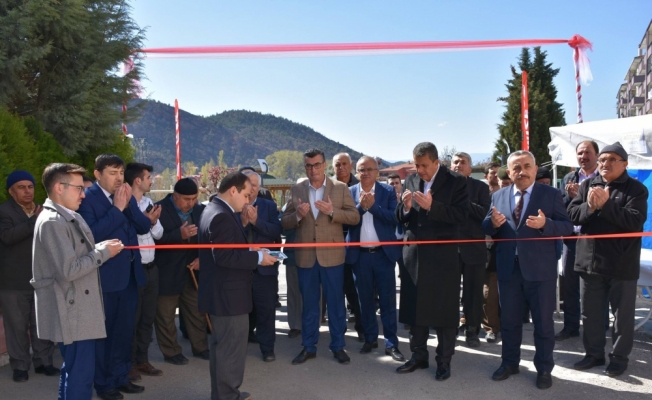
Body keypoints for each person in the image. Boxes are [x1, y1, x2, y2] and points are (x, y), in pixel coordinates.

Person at [31, 163, 123, 400]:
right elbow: (69, 270)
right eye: (78, 189)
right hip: (71, 311)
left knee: (75, 371)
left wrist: (100, 248)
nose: (83, 194)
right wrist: (103, 253)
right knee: (80, 377)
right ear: (59, 188)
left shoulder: (66, 216)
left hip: (77, 309)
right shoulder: (53, 221)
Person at [482, 150, 573, 390]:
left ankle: (544, 368)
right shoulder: (498, 195)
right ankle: (510, 363)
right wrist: (491, 223)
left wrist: (547, 225)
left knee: (543, 324)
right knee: (509, 322)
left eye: (526, 166)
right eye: (516, 168)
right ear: (509, 172)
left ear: (534, 168)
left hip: (540, 271)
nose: (522, 171)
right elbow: (486, 225)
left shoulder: (551, 194)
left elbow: (567, 226)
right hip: (508, 270)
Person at [568, 142, 648, 377]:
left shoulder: (636, 190)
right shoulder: (587, 185)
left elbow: (634, 221)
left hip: (620, 264)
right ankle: (593, 354)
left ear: (624, 164)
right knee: (590, 314)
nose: (605, 164)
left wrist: (605, 205)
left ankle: (619, 358)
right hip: (589, 262)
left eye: (612, 159)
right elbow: (573, 215)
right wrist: (591, 208)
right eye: (602, 160)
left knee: (622, 317)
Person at [78, 154, 152, 400]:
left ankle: (121, 376)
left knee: (124, 331)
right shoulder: (87, 200)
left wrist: (128, 204)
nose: (119, 178)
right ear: (98, 174)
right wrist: (118, 208)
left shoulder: (125, 195)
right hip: (105, 278)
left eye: (121, 173)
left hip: (130, 276)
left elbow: (143, 227)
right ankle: (103, 383)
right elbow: (92, 235)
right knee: (105, 334)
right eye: (113, 172)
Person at [198, 171, 277, 400]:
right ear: (233, 190)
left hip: (221, 294)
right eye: (244, 194)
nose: (247, 199)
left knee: (222, 350)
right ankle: (228, 396)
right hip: (228, 297)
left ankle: (224, 393)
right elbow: (224, 257)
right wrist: (258, 258)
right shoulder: (221, 215)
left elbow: (226, 251)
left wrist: (252, 251)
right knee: (230, 351)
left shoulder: (215, 209)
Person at [395, 142, 469, 381]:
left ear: (436, 162)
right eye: (416, 165)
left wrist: (433, 207)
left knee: (444, 312)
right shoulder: (411, 181)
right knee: (415, 309)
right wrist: (406, 208)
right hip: (414, 255)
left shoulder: (456, 181)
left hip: (442, 258)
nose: (420, 170)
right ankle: (418, 356)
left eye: (424, 165)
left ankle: (444, 361)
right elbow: (402, 218)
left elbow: (461, 216)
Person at [281, 148, 360, 366]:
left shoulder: (340, 188)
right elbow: (284, 221)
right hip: (306, 256)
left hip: (332, 257)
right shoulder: (297, 189)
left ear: (324, 165)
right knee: (309, 305)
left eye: (316, 165)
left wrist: (333, 212)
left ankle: (338, 346)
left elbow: (354, 217)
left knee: (335, 304)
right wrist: (297, 215)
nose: (313, 169)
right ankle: (309, 347)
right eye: (308, 166)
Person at [0, 171, 57, 383]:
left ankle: (44, 362)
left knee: (42, 322)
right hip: (13, 281)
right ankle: (20, 366)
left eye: (30, 186)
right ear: (11, 191)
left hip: (42, 279)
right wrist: (34, 221)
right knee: (16, 326)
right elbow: (7, 237)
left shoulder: (44, 210)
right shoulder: (4, 212)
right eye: (21, 187)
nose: (27, 191)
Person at [346, 156, 404, 361]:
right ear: (357, 171)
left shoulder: (387, 191)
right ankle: (370, 339)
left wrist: (373, 208)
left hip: (383, 255)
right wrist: (361, 208)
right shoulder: (349, 192)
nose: (365, 173)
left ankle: (391, 343)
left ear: (377, 172)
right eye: (361, 169)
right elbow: (347, 221)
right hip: (360, 256)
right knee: (365, 301)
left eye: (369, 169)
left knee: (388, 301)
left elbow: (394, 217)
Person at [154, 178, 208, 365]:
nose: (190, 203)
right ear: (175, 196)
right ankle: (171, 352)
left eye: (194, 198)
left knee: (196, 312)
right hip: (166, 273)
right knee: (166, 316)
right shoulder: (157, 210)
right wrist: (179, 235)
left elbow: (208, 239)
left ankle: (200, 347)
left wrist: (203, 258)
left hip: (192, 272)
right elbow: (151, 241)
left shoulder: (200, 211)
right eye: (186, 199)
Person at [124, 163, 164, 381]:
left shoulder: (149, 203)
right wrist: (145, 222)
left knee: (147, 318)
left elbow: (158, 234)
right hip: (134, 269)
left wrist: (153, 221)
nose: (151, 181)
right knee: (133, 317)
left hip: (152, 268)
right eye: (148, 177)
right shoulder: (124, 204)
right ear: (137, 180)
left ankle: (142, 360)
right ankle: (128, 363)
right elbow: (134, 233)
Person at [557, 140, 599, 341]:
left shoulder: (603, 177)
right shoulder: (569, 177)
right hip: (572, 239)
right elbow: (561, 208)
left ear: (596, 155)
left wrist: (579, 198)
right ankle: (570, 326)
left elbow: (596, 208)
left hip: (593, 240)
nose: (584, 156)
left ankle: (599, 327)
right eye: (580, 153)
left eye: (588, 152)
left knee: (595, 285)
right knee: (570, 284)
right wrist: (570, 197)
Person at [240, 170, 283, 362]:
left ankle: (267, 348)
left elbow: (276, 230)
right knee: (239, 309)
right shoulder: (232, 205)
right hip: (239, 268)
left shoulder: (268, 206)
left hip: (264, 269)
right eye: (247, 184)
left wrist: (256, 222)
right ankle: (239, 345)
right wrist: (243, 222)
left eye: (255, 185)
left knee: (266, 309)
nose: (251, 188)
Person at [451, 153, 491, 348]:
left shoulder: (481, 188)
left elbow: (484, 214)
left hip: (473, 249)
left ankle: (472, 330)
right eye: (455, 162)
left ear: (470, 168)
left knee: (473, 294)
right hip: (448, 250)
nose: (459, 165)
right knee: (448, 292)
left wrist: (463, 203)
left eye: (463, 162)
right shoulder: (442, 189)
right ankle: (449, 328)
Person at [332, 152, 364, 340]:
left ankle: (362, 328)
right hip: (333, 245)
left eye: (344, 164)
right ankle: (339, 333)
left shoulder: (359, 186)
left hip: (354, 244)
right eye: (337, 165)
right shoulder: (328, 187)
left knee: (355, 291)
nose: (341, 167)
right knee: (336, 291)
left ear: (351, 166)